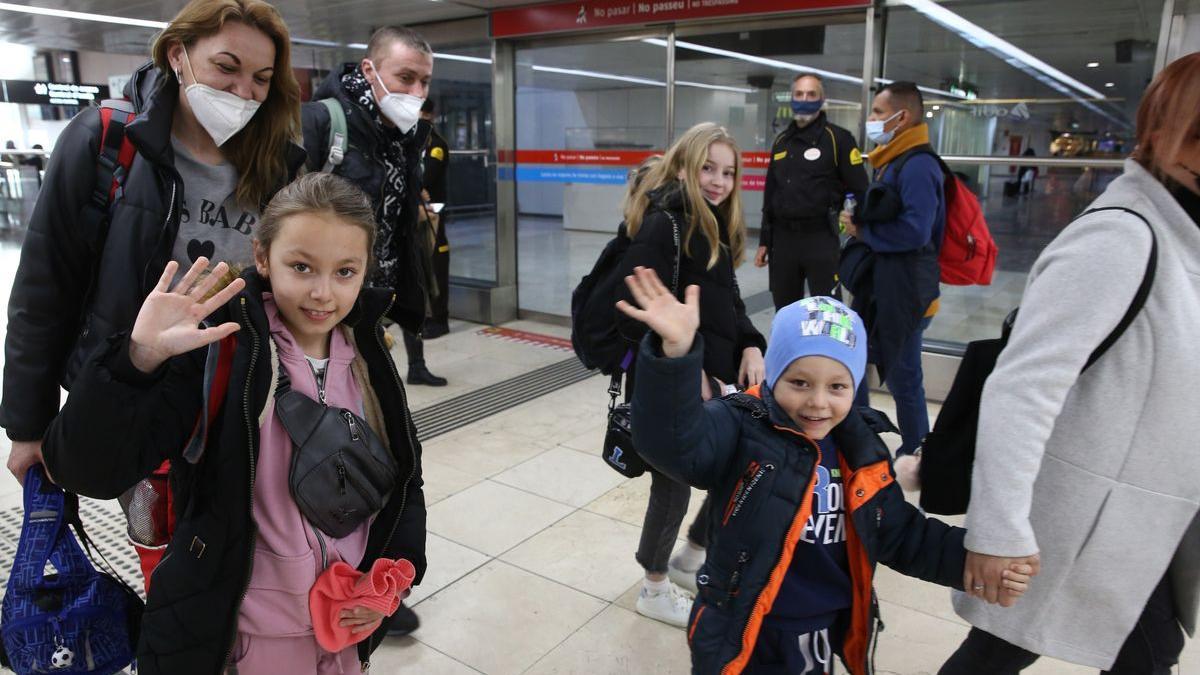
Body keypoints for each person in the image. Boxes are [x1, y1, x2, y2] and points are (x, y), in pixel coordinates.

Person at [41, 172, 428, 675]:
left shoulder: (366, 354)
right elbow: (85, 469)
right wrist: (135, 361)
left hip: (343, 635)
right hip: (238, 638)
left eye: (345, 272)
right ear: (263, 257)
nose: (323, 294)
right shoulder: (222, 350)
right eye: (302, 266)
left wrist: (394, 572)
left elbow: (404, 480)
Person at [617, 280, 1035, 674]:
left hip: (815, 629)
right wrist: (676, 357)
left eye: (837, 387)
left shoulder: (862, 449)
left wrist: (973, 559)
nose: (817, 402)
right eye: (799, 382)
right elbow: (672, 445)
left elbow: (900, 534)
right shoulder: (740, 425)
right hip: (737, 622)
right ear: (774, 375)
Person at [939, 53, 1200, 675]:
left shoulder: (1182, 232)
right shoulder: (1123, 237)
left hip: (1138, 521)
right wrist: (998, 532)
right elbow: (1022, 387)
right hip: (1086, 524)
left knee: (1002, 655)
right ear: (1159, 136)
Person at [2, 0, 305, 489]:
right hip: (132, 384)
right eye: (226, 68)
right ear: (177, 55)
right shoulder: (107, 141)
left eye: (262, 79)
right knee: (160, 545)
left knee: (231, 550)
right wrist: (27, 425)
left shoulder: (277, 166)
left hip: (236, 395)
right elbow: (44, 290)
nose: (242, 92)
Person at [616, 122, 767, 628]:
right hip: (672, 380)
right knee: (673, 485)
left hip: (713, 379)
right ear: (682, 165)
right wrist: (688, 370)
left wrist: (750, 342)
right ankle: (653, 586)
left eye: (728, 172)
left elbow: (729, 304)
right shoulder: (666, 225)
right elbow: (636, 309)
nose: (719, 181)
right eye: (708, 168)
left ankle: (690, 555)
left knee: (735, 468)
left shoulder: (713, 225)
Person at [301, 26, 447, 387]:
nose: (417, 93)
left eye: (425, 82)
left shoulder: (409, 137)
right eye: (406, 78)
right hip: (326, 301)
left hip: (378, 301)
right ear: (369, 71)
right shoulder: (321, 122)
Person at [840, 81, 944, 460]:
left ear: (904, 117)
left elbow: (916, 231)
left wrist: (863, 231)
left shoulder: (917, 165)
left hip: (907, 294)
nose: (871, 120)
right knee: (859, 361)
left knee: (904, 379)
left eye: (879, 113)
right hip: (885, 289)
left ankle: (917, 454)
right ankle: (863, 434)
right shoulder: (891, 159)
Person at [755, 74, 868, 306]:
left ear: (822, 99)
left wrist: (861, 230)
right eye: (799, 94)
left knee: (827, 310)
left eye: (811, 94)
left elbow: (861, 189)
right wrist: (765, 240)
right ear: (792, 98)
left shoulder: (839, 139)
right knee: (785, 310)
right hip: (783, 241)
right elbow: (771, 193)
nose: (804, 99)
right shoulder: (781, 142)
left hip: (821, 239)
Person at [419, 98, 451, 339]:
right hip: (417, 212)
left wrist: (416, 184)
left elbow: (426, 176)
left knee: (437, 264)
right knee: (420, 267)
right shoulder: (411, 143)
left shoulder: (435, 145)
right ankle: (426, 315)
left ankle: (439, 319)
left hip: (434, 212)